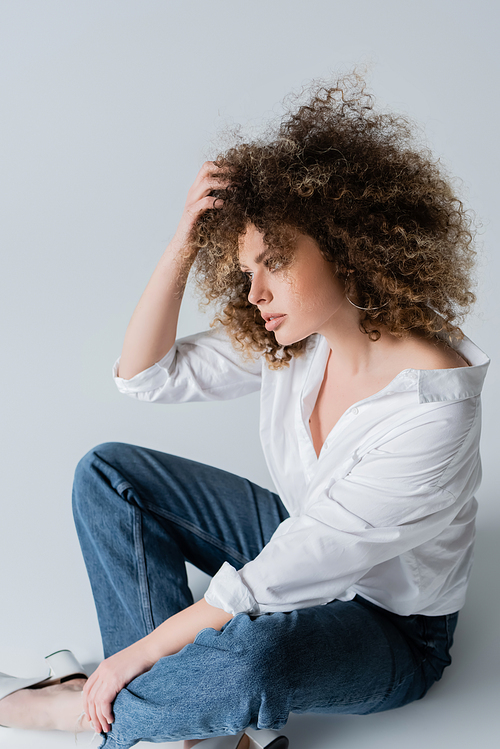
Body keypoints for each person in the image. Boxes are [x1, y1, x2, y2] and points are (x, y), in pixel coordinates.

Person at [0, 73, 490, 749]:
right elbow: (147, 375)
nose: (255, 292)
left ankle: (73, 709)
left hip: (390, 626)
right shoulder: (298, 338)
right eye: (244, 269)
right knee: (108, 473)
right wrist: (182, 244)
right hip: (295, 538)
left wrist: (126, 660)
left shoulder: (435, 409)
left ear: (345, 243)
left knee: (255, 658)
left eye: (275, 262)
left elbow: (287, 571)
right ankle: (179, 727)